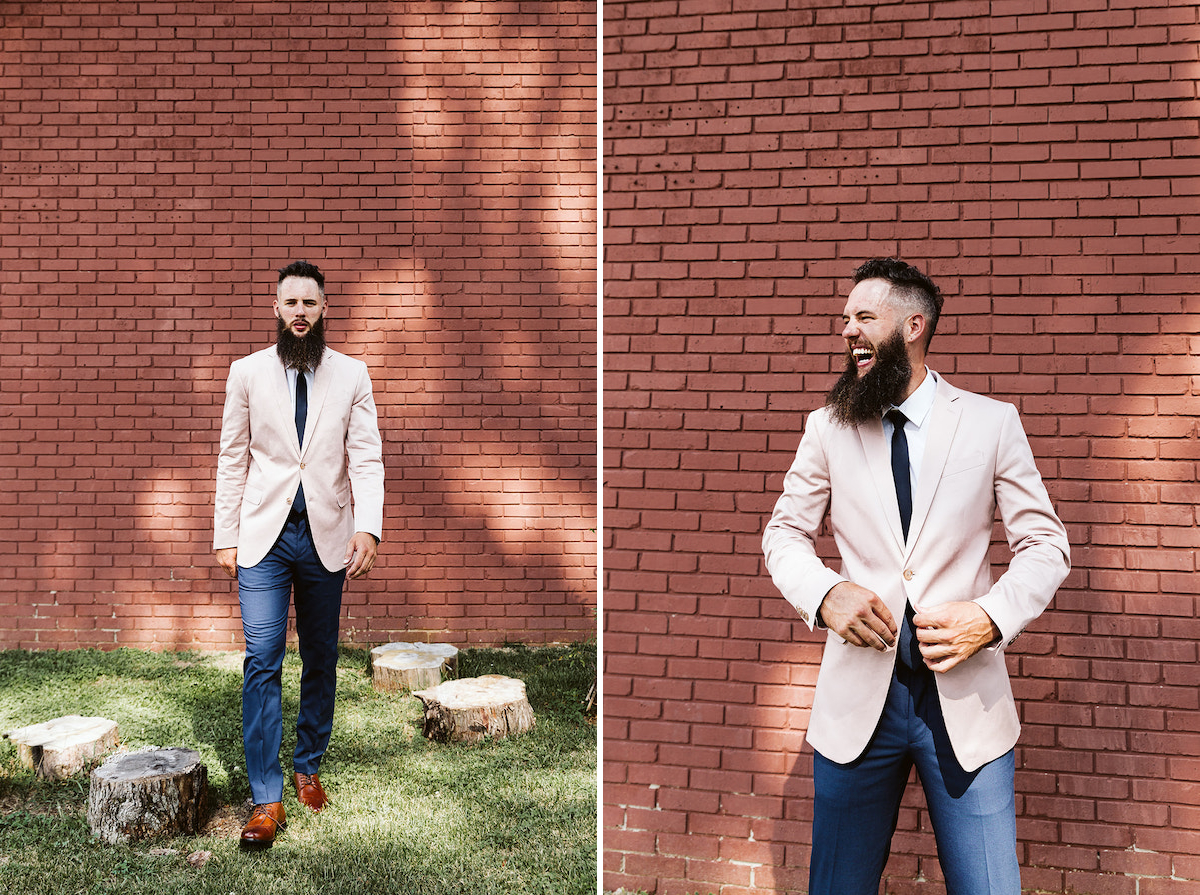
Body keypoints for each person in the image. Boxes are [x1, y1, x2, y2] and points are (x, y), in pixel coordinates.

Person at [762, 258, 1070, 894]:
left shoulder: (992, 423)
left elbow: (1045, 544)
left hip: (965, 703)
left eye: (863, 318)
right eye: (845, 319)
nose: (846, 331)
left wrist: (988, 617)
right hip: (857, 709)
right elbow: (784, 535)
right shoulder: (827, 427)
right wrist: (825, 593)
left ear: (913, 325)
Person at [214, 260, 384, 849]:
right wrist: (225, 535)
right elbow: (232, 457)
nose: (300, 313)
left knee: (319, 654)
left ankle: (307, 764)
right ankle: (266, 798)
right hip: (263, 538)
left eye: (310, 303)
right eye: (291, 303)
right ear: (277, 309)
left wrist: (370, 528)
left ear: (324, 308)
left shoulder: (353, 374)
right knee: (262, 658)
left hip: (326, 536)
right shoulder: (246, 373)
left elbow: (365, 457)